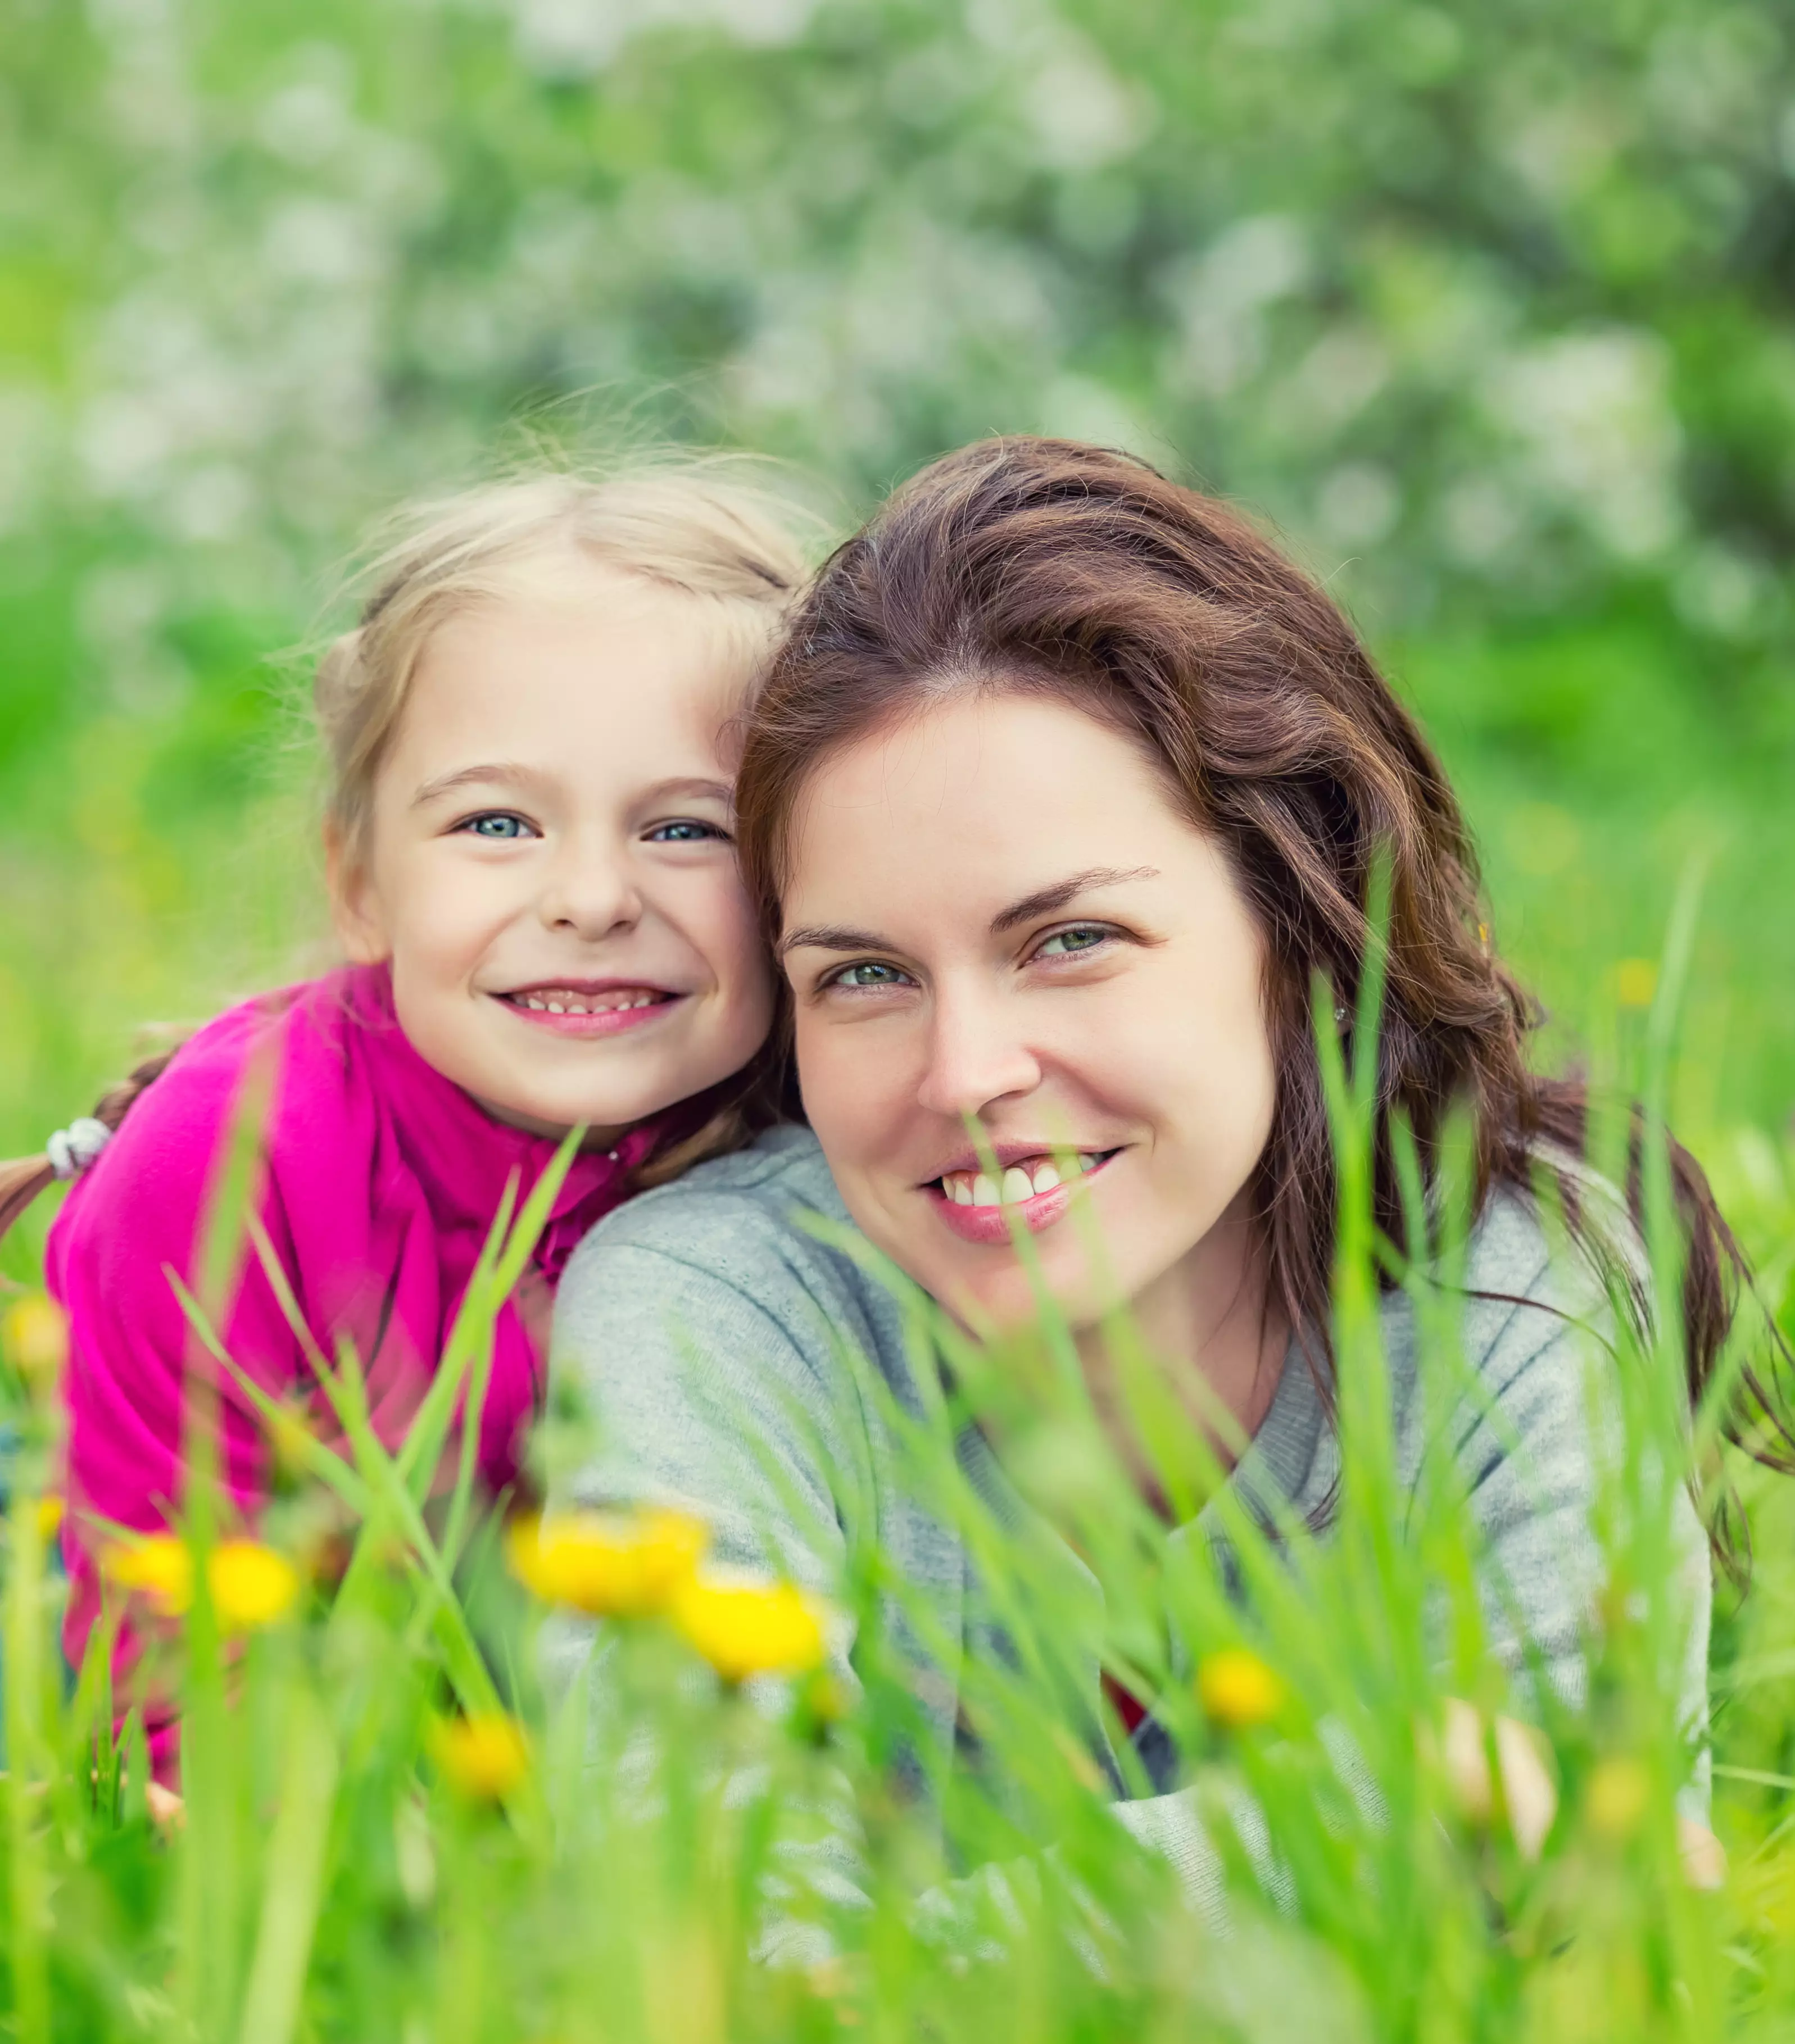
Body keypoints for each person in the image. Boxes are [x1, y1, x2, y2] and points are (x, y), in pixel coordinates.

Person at [546, 438, 1770, 1875]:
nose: (964, 1073)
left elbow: (1600, 1910)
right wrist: (1364, 1817)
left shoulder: (1505, 1289)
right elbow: (699, 1948)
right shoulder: (716, 1310)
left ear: (1298, 923)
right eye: (865, 975)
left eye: (1070, 941)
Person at [1, 465, 808, 1777]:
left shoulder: (838, 1138)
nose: (593, 896)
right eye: (498, 821)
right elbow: (172, 1675)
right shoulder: (232, 1160)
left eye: (685, 828)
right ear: (359, 880)